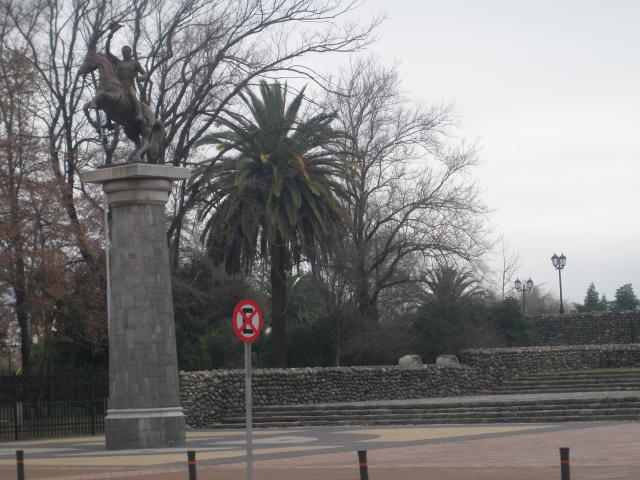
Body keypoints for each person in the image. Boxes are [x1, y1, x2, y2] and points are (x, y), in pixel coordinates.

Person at [105, 24, 146, 125]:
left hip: (129, 86)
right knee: (108, 99)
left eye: (127, 51)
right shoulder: (118, 62)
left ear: (130, 52)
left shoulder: (135, 63)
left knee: (133, 97)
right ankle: (108, 121)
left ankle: (139, 114)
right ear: (122, 53)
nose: (125, 53)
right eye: (123, 51)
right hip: (118, 86)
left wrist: (143, 77)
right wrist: (109, 38)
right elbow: (107, 52)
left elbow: (145, 73)